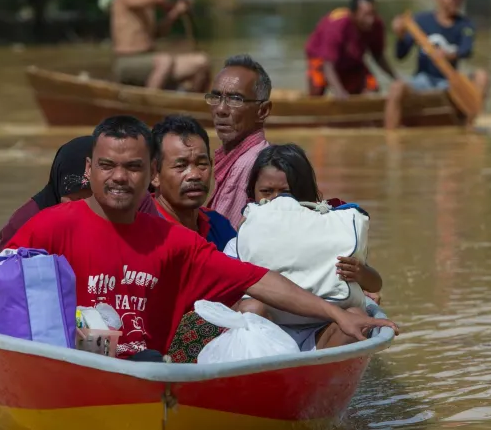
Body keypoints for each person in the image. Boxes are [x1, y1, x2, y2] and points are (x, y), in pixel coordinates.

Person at [0, 116, 398, 361]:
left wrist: (336, 313)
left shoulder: (172, 242)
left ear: (149, 174)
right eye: (107, 166)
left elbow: (258, 279)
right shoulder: (53, 226)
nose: (118, 178)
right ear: (90, 169)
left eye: (131, 167)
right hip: (73, 364)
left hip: (150, 369)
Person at [224, 144, 384, 350]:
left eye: (286, 193)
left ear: (305, 194)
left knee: (356, 316)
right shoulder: (239, 242)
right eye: (266, 192)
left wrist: (360, 273)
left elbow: (375, 284)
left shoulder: (332, 232)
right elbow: (226, 294)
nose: (276, 201)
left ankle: (325, 374)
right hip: (268, 335)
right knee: (250, 308)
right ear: (252, 193)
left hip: (324, 333)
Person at [0, 135, 158, 253]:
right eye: (76, 199)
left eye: (92, 197)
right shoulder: (25, 222)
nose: (84, 206)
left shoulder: (136, 203)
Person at [384, 0, 490, 129]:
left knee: (482, 76)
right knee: (396, 88)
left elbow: (466, 51)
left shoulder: (466, 25)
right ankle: (391, 138)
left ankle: (470, 124)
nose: (456, 0)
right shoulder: (420, 21)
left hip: (449, 82)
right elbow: (400, 55)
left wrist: (448, 55)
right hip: (423, 80)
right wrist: (400, 36)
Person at [150, 115, 236, 251]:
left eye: (202, 164)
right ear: (154, 174)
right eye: (181, 166)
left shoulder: (219, 226)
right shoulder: (143, 231)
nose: (194, 175)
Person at [204, 54, 272, 229]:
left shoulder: (246, 166)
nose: (220, 109)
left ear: (262, 111)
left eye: (235, 99)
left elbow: (221, 243)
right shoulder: (255, 156)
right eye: (216, 97)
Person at [110, 0, 211, 92]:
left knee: (201, 62)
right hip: (127, 61)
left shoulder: (147, 2)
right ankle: (148, 102)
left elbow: (157, 34)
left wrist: (175, 13)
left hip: (150, 61)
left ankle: (187, 102)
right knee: (164, 61)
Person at [304, 0, 397, 98]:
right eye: (366, 15)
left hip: (351, 61)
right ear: (353, 14)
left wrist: (396, 79)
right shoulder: (338, 26)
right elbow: (327, 64)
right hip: (321, 59)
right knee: (317, 91)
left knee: (372, 90)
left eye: (373, 13)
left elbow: (378, 55)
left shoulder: (376, 25)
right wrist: (340, 92)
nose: (370, 20)